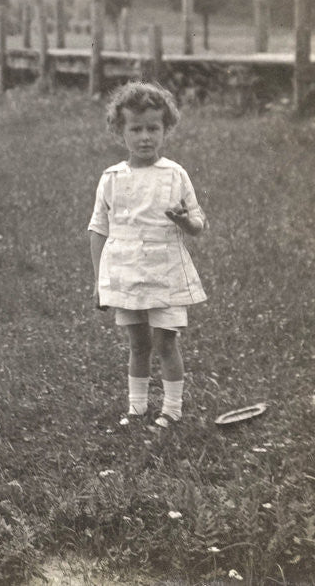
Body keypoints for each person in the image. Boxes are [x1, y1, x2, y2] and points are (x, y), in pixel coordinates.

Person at [88, 82, 207, 429]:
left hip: (165, 271)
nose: (145, 137)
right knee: (138, 343)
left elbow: (199, 223)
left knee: (166, 341)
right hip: (126, 273)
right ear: (119, 131)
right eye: (135, 129)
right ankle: (136, 408)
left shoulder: (175, 174)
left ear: (165, 129)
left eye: (153, 128)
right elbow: (98, 229)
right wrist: (100, 281)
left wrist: (187, 221)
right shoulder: (111, 178)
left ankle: (171, 409)